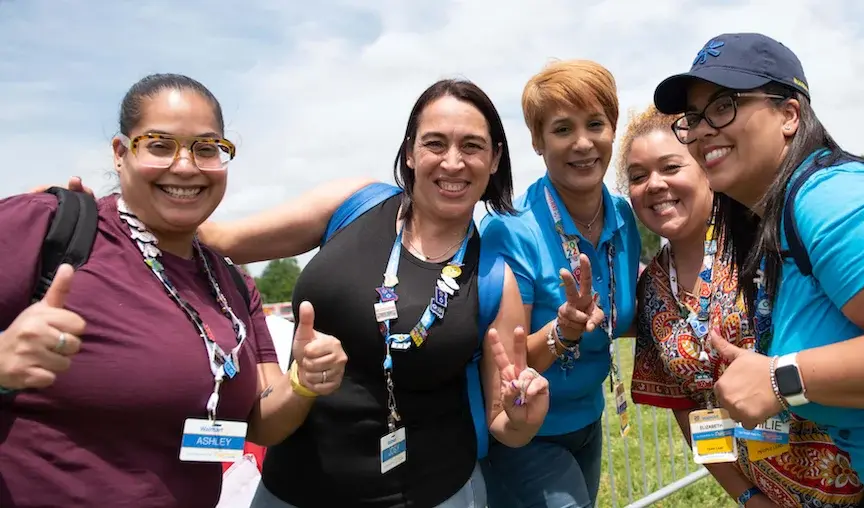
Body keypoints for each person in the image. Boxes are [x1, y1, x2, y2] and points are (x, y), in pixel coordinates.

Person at [187, 78, 549, 508]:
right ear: (411, 151)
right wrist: (109, 214)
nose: (453, 163)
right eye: (435, 143)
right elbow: (219, 239)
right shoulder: (353, 202)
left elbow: (503, 421)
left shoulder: (494, 279)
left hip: (432, 494)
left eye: (471, 146)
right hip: (288, 491)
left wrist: (524, 418)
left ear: (494, 160)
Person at [653, 32, 864, 507]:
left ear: (789, 114)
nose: (702, 130)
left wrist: (781, 379)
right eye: (695, 118)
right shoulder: (776, 222)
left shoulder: (830, 197)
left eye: (724, 106)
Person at [0, 73, 348, 508]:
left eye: (206, 149)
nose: (185, 166)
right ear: (120, 153)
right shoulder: (45, 228)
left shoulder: (233, 285)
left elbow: (260, 424)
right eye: (160, 145)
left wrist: (305, 381)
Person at [618, 104, 864, 508]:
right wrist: (748, 497)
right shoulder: (652, 291)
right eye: (639, 176)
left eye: (671, 167)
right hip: (771, 496)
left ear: (706, 170)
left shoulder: (766, 238)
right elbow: (688, 409)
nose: (654, 185)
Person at [478, 59, 641, 508]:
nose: (583, 143)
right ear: (537, 141)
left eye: (595, 124)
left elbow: (623, 317)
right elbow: (503, 369)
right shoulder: (511, 230)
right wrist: (563, 332)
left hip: (589, 421)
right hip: (524, 433)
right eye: (562, 129)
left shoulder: (624, 216)